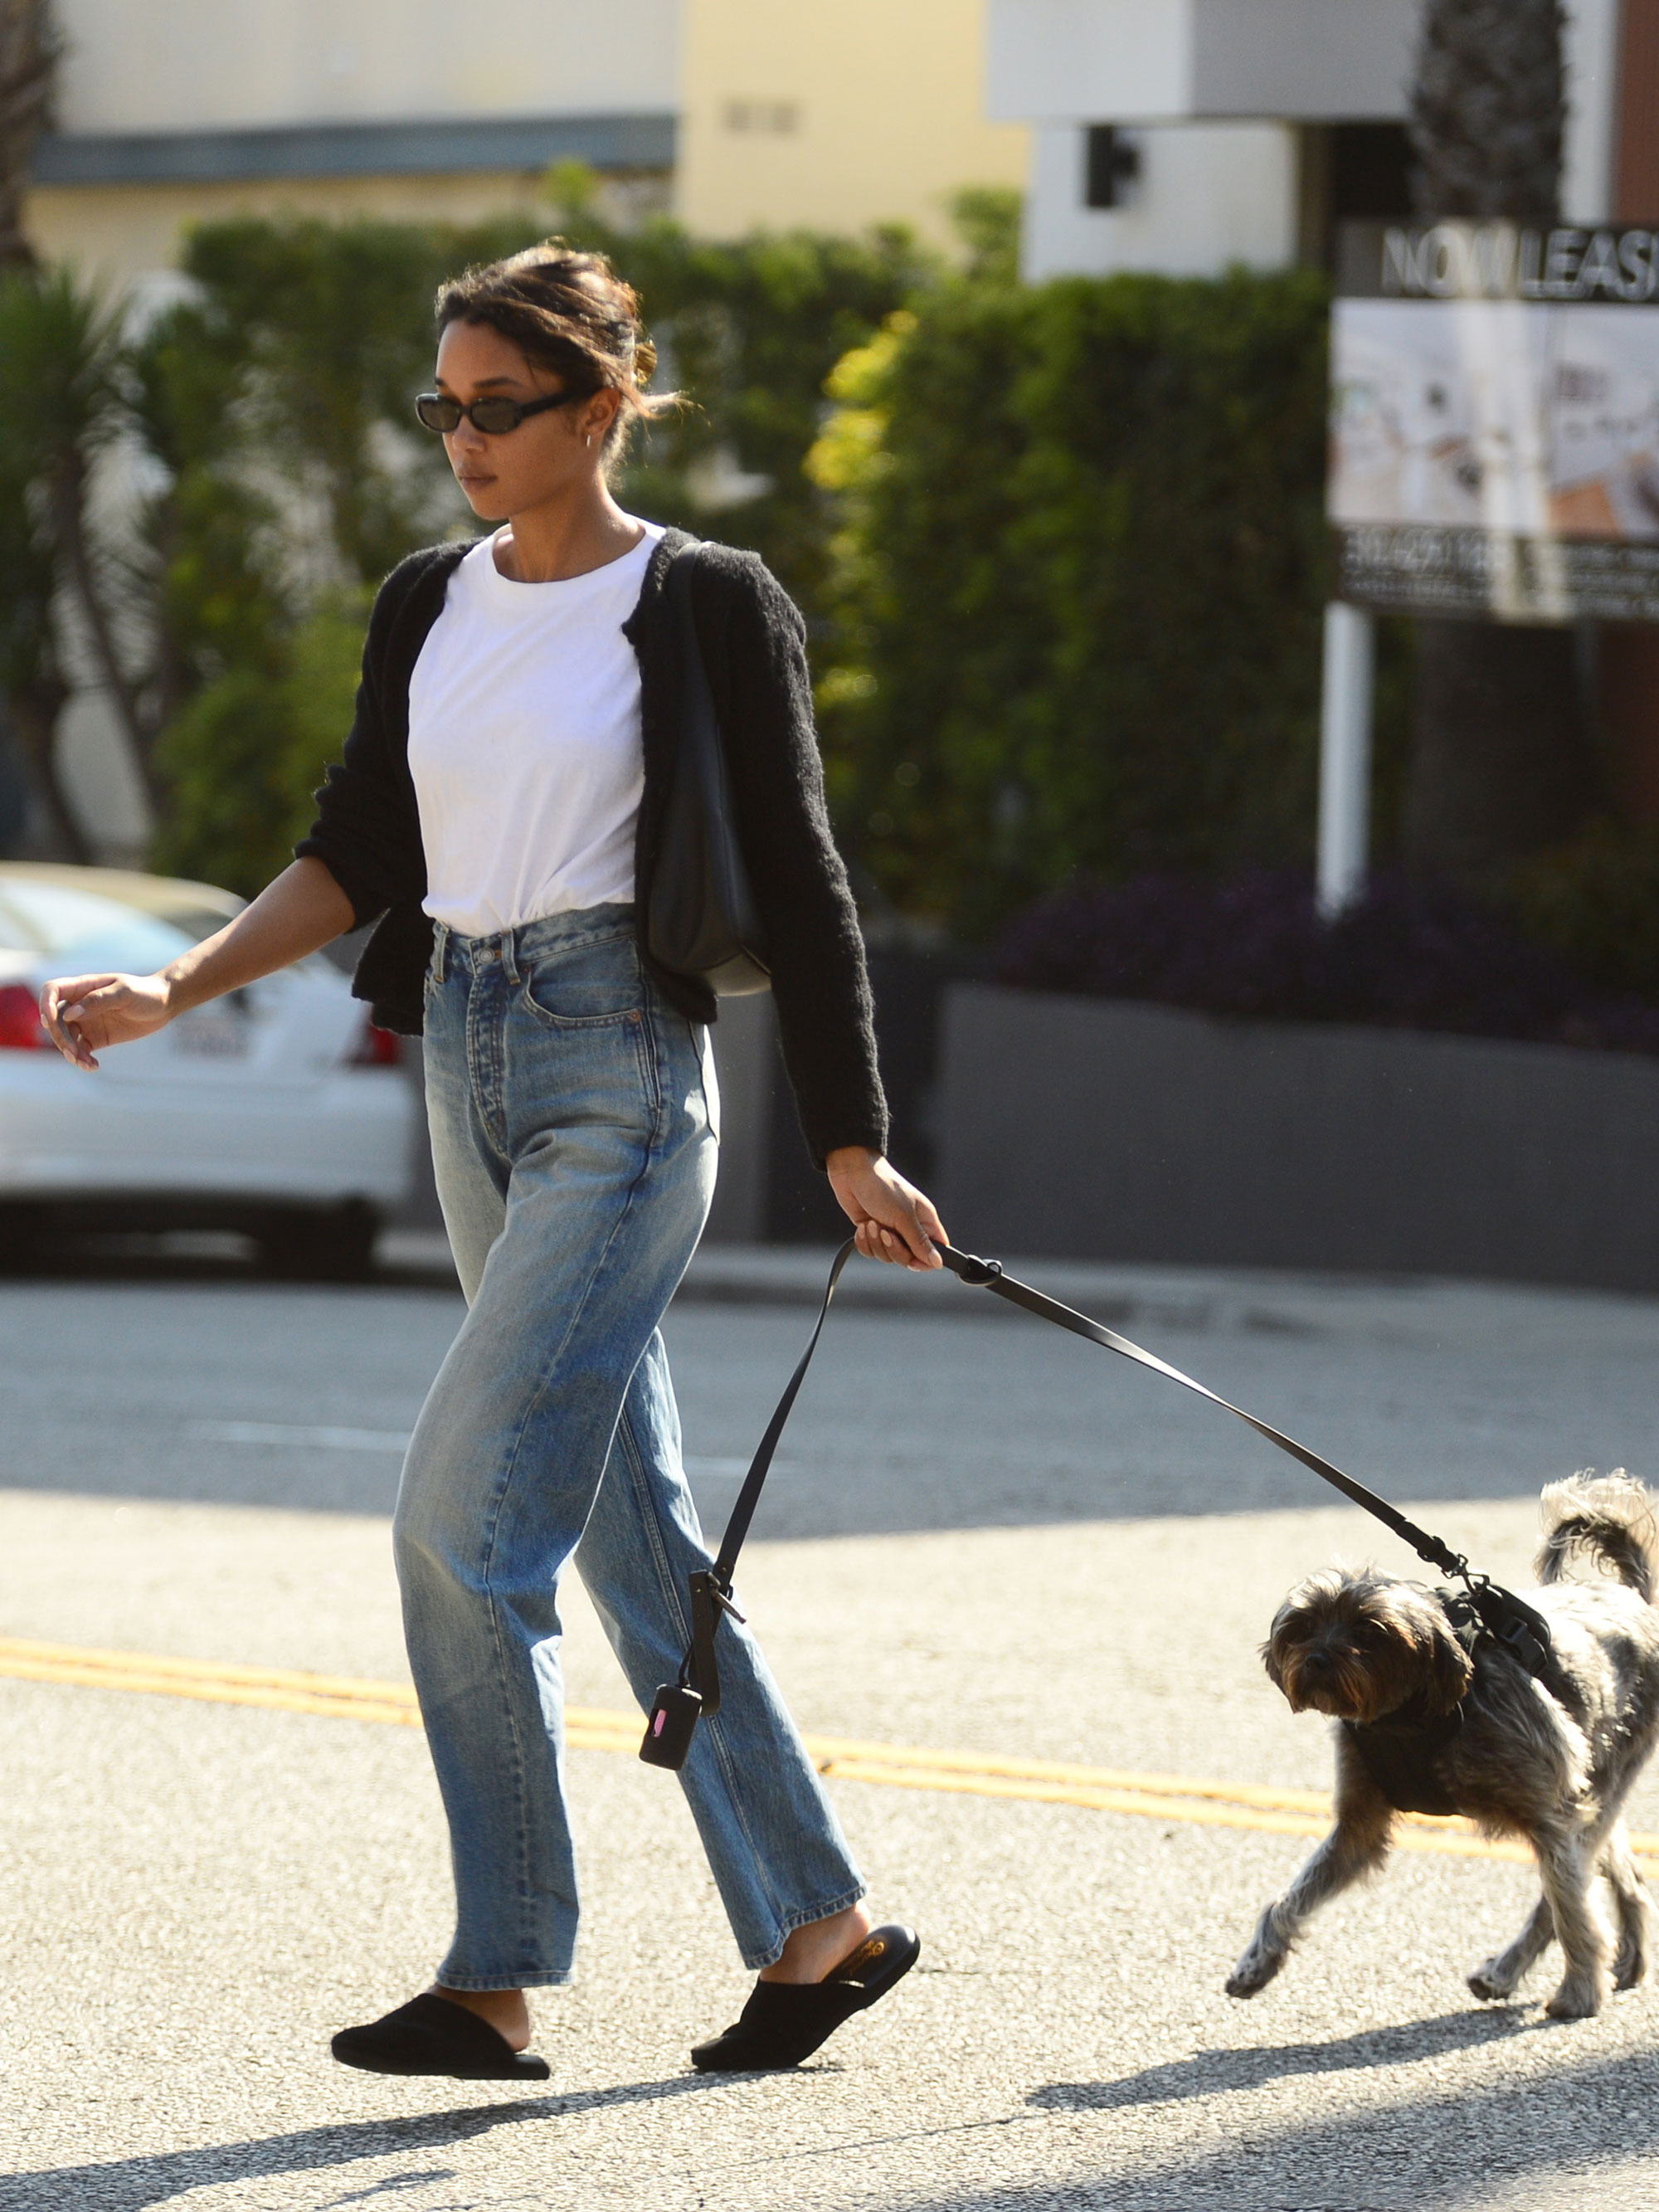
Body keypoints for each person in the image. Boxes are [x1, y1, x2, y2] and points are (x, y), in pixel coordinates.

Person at [41, 242, 946, 2083]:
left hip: (620, 1063)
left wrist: (850, 1136)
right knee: (627, 1530)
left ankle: (497, 1971)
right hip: (461, 1047)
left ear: (602, 407)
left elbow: (801, 871)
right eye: (442, 405)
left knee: (461, 1525)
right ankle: (816, 1926)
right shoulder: (427, 600)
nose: (462, 436)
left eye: (499, 406)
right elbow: (359, 841)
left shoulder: (702, 600)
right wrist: (182, 980)